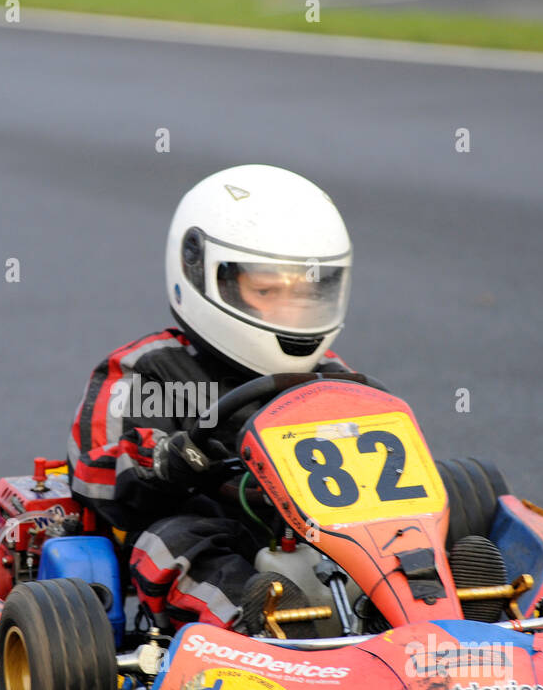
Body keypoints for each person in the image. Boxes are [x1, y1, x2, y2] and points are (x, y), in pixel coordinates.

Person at [67, 165, 355, 634]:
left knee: (426, 514)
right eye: (267, 290)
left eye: (306, 293)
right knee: (178, 540)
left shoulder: (333, 378)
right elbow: (94, 475)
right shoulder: (150, 369)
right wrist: (166, 463)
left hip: (321, 533)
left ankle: (440, 602)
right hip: (206, 530)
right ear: (203, 274)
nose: (289, 308)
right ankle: (257, 632)